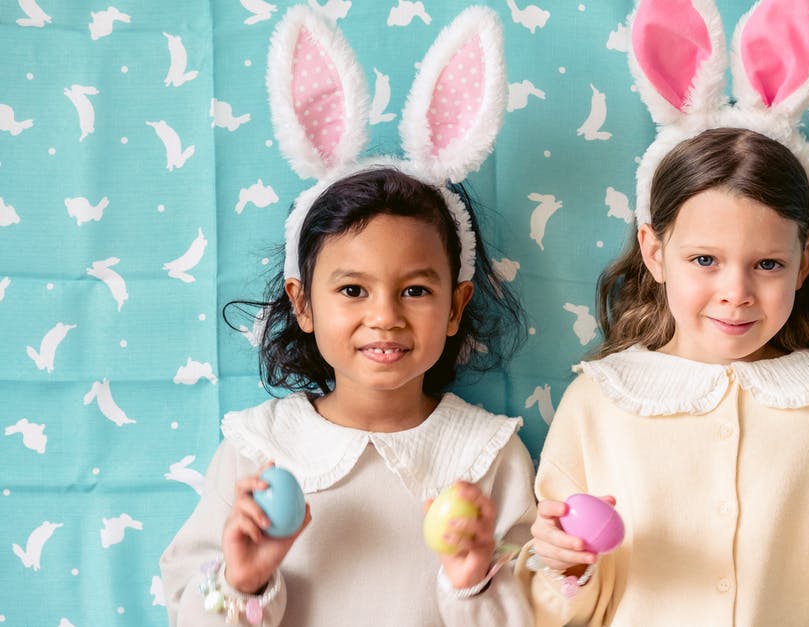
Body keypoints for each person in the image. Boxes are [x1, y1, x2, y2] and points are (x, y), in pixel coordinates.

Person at [518, 1, 809, 625]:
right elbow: (549, 605)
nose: (736, 292)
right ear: (655, 251)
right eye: (705, 260)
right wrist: (564, 565)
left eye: (766, 265)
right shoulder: (602, 402)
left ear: (805, 260)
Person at [160, 6, 535, 625]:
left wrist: (474, 583)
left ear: (455, 306)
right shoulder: (258, 452)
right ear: (303, 303)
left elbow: (534, 612)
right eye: (353, 291)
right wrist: (245, 581)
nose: (384, 318)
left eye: (415, 291)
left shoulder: (488, 457)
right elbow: (187, 612)